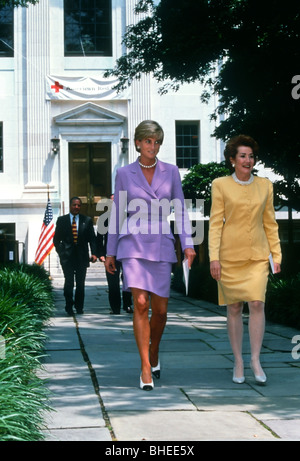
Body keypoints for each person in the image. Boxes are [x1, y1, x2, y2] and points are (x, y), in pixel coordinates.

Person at [105, 120, 196, 391]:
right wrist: (110, 251)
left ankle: (154, 349)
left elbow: (179, 209)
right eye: (147, 141)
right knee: (141, 304)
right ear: (137, 143)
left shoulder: (171, 172)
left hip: (161, 243)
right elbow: (118, 212)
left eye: (156, 142)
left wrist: (188, 244)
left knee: (161, 311)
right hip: (132, 243)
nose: (152, 147)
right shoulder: (123, 173)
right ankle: (145, 366)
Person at [209, 135, 281, 384]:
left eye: (250, 156)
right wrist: (213, 258)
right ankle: (238, 361)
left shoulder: (265, 185)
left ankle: (256, 360)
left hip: (258, 257)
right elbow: (216, 223)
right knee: (235, 308)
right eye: (242, 156)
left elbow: (270, 223)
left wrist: (276, 254)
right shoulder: (220, 185)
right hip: (229, 256)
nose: (247, 160)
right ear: (232, 160)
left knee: (257, 303)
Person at [53, 196, 97, 315]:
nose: (76, 207)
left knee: (80, 284)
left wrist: (94, 253)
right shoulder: (62, 220)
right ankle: (69, 306)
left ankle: (79, 307)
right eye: (74, 205)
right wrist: (61, 252)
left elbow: (92, 238)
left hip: (82, 257)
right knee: (69, 283)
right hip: (67, 257)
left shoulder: (86, 220)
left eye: (78, 205)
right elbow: (56, 240)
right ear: (70, 206)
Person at [96, 195, 133, 314]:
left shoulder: (129, 217)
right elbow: (99, 238)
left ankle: (127, 305)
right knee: (113, 282)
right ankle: (115, 307)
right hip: (111, 254)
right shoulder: (104, 218)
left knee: (128, 280)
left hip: (127, 253)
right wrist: (101, 254)